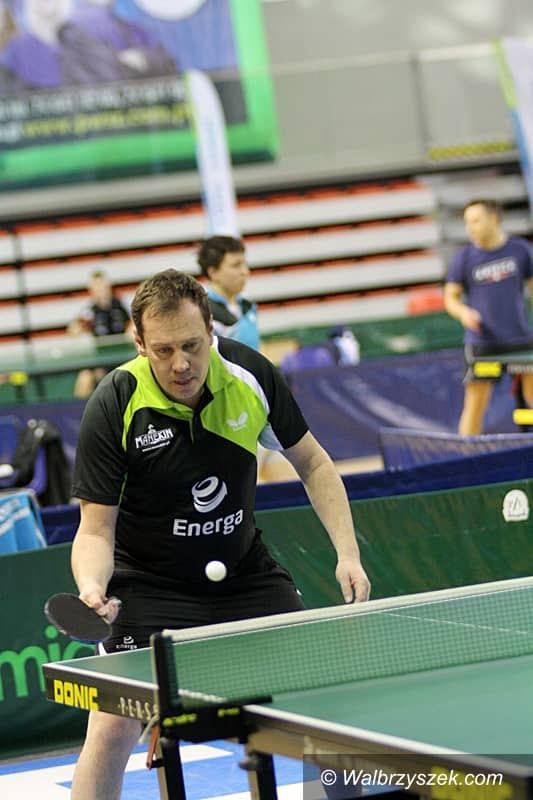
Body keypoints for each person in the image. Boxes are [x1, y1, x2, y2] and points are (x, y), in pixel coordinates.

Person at [68, 268, 370, 800]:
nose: (181, 363)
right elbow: (95, 529)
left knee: (326, 696)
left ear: (211, 330)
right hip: (149, 584)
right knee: (112, 722)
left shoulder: (249, 375)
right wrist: (93, 587)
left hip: (244, 574)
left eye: (191, 345)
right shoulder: (116, 403)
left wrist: (348, 553)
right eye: (163, 350)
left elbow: (314, 464)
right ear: (139, 343)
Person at [444, 199, 533, 435]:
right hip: (484, 345)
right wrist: (463, 312)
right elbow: (450, 298)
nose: (470, 227)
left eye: (475, 221)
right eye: (467, 222)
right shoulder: (464, 257)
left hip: (520, 342)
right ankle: (468, 453)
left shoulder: (520, 250)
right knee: (476, 405)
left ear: (494, 219)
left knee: (531, 400)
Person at [68, 270, 131, 399]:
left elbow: (132, 327)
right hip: (101, 359)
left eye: (102, 286)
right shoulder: (90, 311)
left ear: (108, 287)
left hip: (123, 358)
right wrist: (80, 323)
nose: (100, 290)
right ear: (91, 290)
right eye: (96, 287)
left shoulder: (120, 306)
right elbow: (73, 331)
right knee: (85, 377)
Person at [197, 234, 259, 351]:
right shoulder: (203, 313)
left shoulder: (249, 307)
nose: (245, 272)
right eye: (236, 265)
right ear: (213, 272)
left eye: (244, 264)